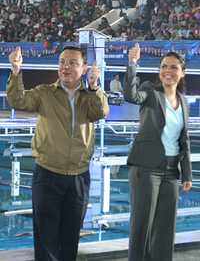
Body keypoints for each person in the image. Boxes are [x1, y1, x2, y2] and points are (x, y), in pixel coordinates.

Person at [6, 46, 109, 261]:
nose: (66, 67)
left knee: (70, 237)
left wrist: (94, 87)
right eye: (62, 62)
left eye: (72, 62)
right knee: (46, 238)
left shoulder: (89, 95)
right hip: (47, 174)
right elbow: (18, 101)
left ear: (83, 68)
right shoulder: (45, 93)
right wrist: (16, 71)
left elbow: (100, 112)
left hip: (79, 176)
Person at [125, 43, 192, 261]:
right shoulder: (150, 92)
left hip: (171, 171)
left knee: (165, 229)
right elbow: (131, 96)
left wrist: (187, 173)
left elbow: (184, 139)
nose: (168, 71)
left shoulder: (184, 101)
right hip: (146, 169)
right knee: (142, 228)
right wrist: (132, 64)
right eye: (164, 66)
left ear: (182, 72)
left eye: (173, 67)